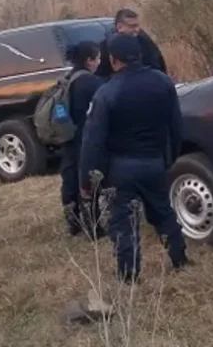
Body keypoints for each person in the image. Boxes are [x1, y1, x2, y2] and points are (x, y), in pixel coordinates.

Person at [79, 32, 189, 283]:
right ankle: (180, 258)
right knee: (163, 213)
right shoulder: (163, 82)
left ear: (113, 59)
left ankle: (129, 276)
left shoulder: (107, 93)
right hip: (154, 162)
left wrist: (87, 181)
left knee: (123, 222)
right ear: (138, 54)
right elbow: (176, 126)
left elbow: (92, 142)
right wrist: (169, 158)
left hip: (121, 168)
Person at [60, 41, 104, 238]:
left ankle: (73, 222)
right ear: (89, 61)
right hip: (85, 137)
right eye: (98, 58)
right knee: (89, 179)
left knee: (70, 178)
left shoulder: (67, 78)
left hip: (68, 135)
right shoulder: (91, 83)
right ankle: (93, 225)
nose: (100, 62)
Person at [95, 8, 167, 80]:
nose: (137, 30)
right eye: (132, 26)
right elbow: (101, 75)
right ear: (119, 27)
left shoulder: (143, 40)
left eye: (137, 25)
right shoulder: (106, 46)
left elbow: (157, 63)